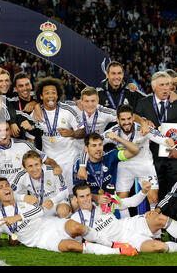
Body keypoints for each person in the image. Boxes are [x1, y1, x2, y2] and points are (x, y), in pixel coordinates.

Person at [0, 177, 137, 256]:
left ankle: (112, 244)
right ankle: (116, 252)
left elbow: (40, 211)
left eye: (7, 185)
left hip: (50, 224)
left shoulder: (26, 201)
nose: (6, 188)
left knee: (77, 227)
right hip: (42, 240)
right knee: (71, 246)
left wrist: (18, 217)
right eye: (1, 187)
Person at [0, 120, 61, 246]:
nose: (4, 133)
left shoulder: (23, 145)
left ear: (10, 131)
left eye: (6, 129)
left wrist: (55, 166)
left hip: (20, 191)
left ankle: (8, 230)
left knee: (15, 241)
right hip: (0, 188)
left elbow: (45, 158)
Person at [102, 104, 174, 217]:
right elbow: (95, 143)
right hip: (124, 166)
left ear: (133, 118)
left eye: (129, 118)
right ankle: (125, 227)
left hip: (144, 164)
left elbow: (163, 138)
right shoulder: (113, 131)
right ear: (117, 120)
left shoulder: (143, 128)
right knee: (121, 199)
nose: (127, 122)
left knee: (154, 197)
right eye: (123, 119)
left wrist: (169, 141)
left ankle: (154, 229)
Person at [71, 182, 177, 253]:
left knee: (159, 218)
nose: (86, 199)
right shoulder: (76, 219)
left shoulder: (104, 204)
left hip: (130, 224)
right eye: (82, 196)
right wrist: (116, 249)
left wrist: (143, 191)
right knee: (159, 247)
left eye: (88, 195)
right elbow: (84, 244)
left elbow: (132, 202)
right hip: (125, 239)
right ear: (75, 199)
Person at [32, 77, 85, 192]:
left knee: (72, 194)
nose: (51, 96)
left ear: (57, 95)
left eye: (53, 93)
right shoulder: (35, 114)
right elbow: (30, 140)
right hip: (49, 161)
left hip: (69, 159)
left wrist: (72, 133)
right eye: (47, 93)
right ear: (41, 96)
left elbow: (83, 131)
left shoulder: (67, 110)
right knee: (55, 195)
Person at [134, 71, 177, 203]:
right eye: (162, 85)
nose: (166, 88)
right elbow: (134, 119)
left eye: (168, 84)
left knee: (172, 194)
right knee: (153, 196)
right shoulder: (143, 103)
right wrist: (143, 121)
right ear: (153, 87)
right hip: (150, 156)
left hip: (172, 156)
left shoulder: (176, 102)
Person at [73, 133, 140, 206]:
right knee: (74, 202)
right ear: (86, 148)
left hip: (110, 198)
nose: (98, 149)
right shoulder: (80, 163)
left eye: (100, 145)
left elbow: (135, 150)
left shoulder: (110, 156)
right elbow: (77, 190)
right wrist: (96, 197)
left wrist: (118, 138)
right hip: (90, 199)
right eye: (94, 145)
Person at [12, 150, 70, 218]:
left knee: (63, 210)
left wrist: (52, 201)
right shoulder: (21, 176)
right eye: (30, 166)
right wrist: (23, 197)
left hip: (56, 202)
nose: (34, 169)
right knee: (20, 210)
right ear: (25, 168)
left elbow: (65, 191)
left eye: (36, 164)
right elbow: (10, 194)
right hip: (37, 205)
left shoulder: (52, 171)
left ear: (41, 164)